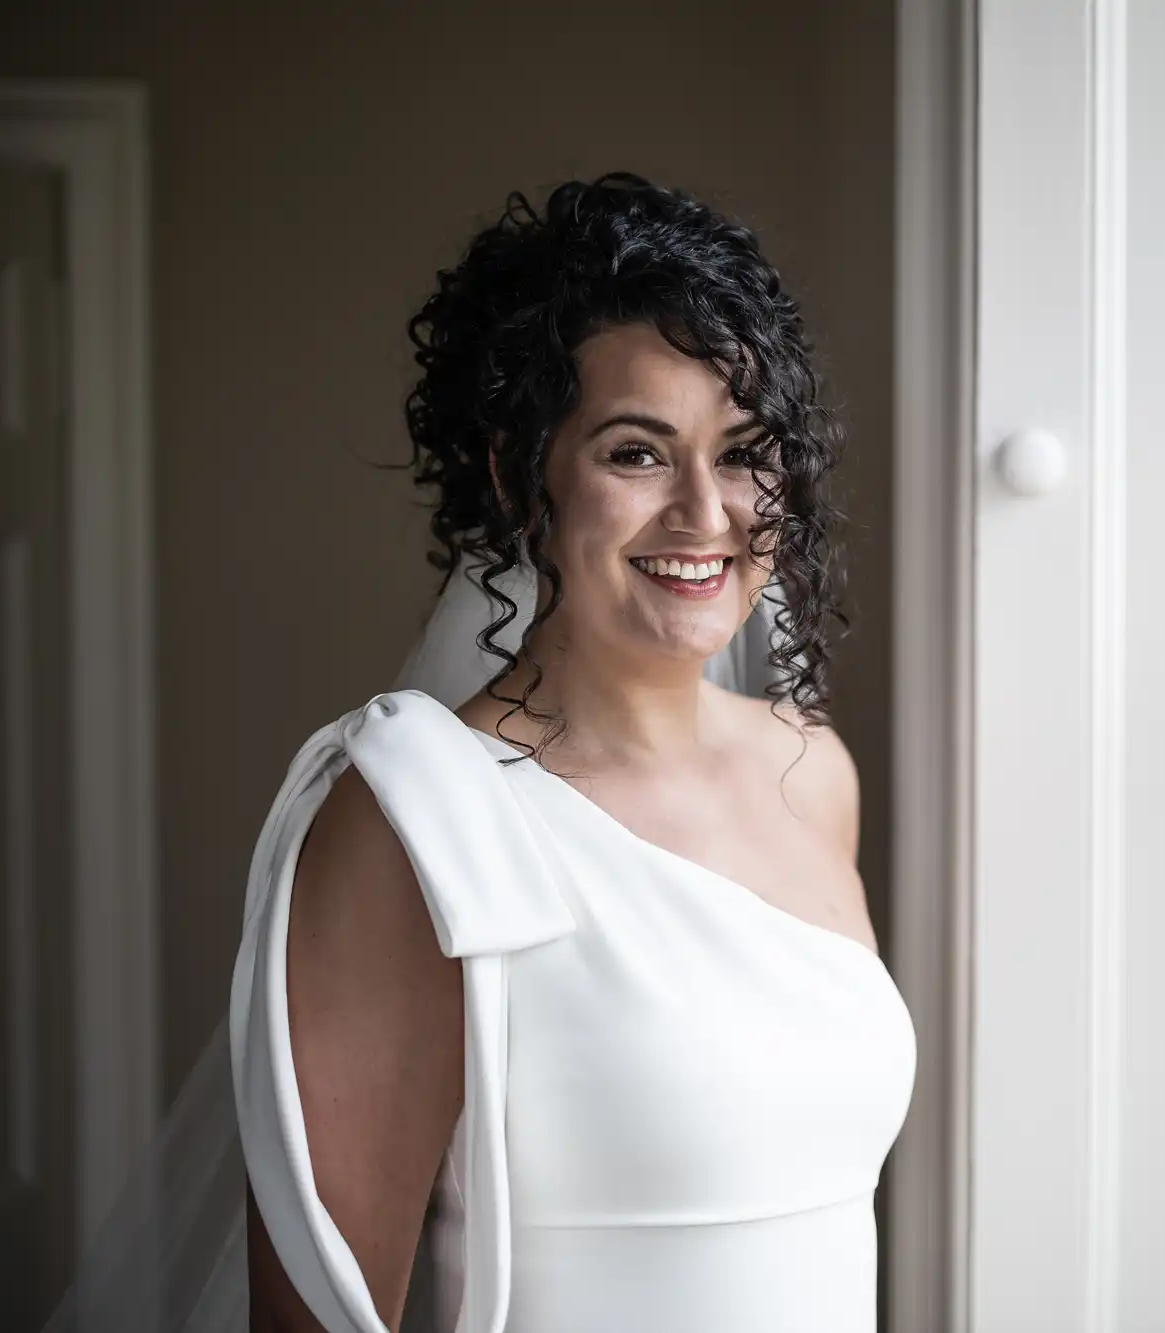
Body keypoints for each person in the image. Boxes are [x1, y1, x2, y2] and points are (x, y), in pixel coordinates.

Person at [231, 174, 915, 1333]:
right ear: (518, 475)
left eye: (744, 451)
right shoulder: (413, 817)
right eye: (637, 452)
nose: (706, 513)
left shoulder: (812, 772)